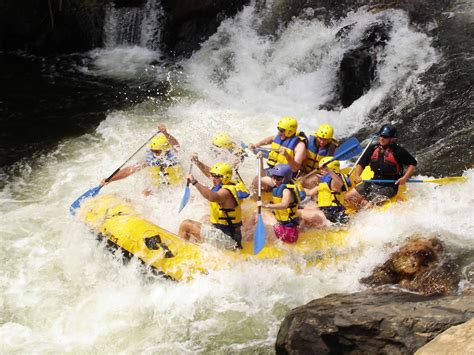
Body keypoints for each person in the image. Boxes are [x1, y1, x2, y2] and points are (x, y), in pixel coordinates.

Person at [344, 123, 417, 210]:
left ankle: (365, 211)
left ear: (392, 138)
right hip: (373, 182)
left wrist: (405, 178)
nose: (382, 138)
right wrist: (357, 176)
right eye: (381, 135)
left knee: (368, 205)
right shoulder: (373, 148)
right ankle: (362, 211)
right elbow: (361, 164)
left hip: (390, 186)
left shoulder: (398, 151)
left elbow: (412, 163)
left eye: (385, 137)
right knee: (348, 197)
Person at [178, 162, 249, 250]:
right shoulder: (229, 183)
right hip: (230, 235)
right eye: (213, 175)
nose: (213, 178)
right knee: (206, 218)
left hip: (228, 241)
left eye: (216, 176)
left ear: (224, 178)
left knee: (186, 224)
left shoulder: (226, 192)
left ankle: (180, 251)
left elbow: (212, 197)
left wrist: (194, 182)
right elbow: (209, 173)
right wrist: (197, 162)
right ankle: (196, 246)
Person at [99, 123, 182, 195]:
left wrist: (165, 133)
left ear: (165, 149)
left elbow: (175, 144)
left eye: (157, 151)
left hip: (177, 186)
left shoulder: (174, 154)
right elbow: (129, 170)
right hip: (159, 186)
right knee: (146, 193)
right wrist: (111, 179)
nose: (154, 154)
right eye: (153, 151)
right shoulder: (150, 158)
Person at [248, 116, 307, 190]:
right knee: (255, 181)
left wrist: (287, 156)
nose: (279, 132)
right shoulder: (279, 137)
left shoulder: (300, 146)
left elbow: (295, 168)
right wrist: (256, 145)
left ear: (289, 131)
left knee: (257, 181)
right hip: (273, 170)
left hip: (285, 176)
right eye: (278, 129)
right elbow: (268, 140)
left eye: (281, 130)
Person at [259, 163, 306, 244]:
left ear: (284, 179)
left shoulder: (286, 191)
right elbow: (262, 177)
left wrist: (268, 206)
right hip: (283, 225)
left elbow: (284, 205)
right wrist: (261, 159)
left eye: (278, 178)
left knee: (259, 215)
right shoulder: (277, 184)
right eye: (273, 177)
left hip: (288, 232)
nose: (275, 180)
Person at [300, 157, 351, 228]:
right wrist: (299, 186)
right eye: (321, 168)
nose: (321, 170)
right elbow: (309, 192)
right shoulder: (324, 183)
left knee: (299, 213)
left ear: (331, 168)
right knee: (308, 208)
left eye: (323, 168)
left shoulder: (334, 182)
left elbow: (340, 184)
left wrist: (329, 170)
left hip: (333, 215)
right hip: (327, 213)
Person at [300, 123, 338, 188]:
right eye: (320, 138)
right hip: (304, 171)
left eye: (325, 140)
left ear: (330, 139)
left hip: (318, 174)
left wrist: (327, 172)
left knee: (308, 183)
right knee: (299, 183)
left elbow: (334, 166)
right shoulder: (309, 142)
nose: (322, 142)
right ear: (317, 136)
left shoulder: (332, 149)